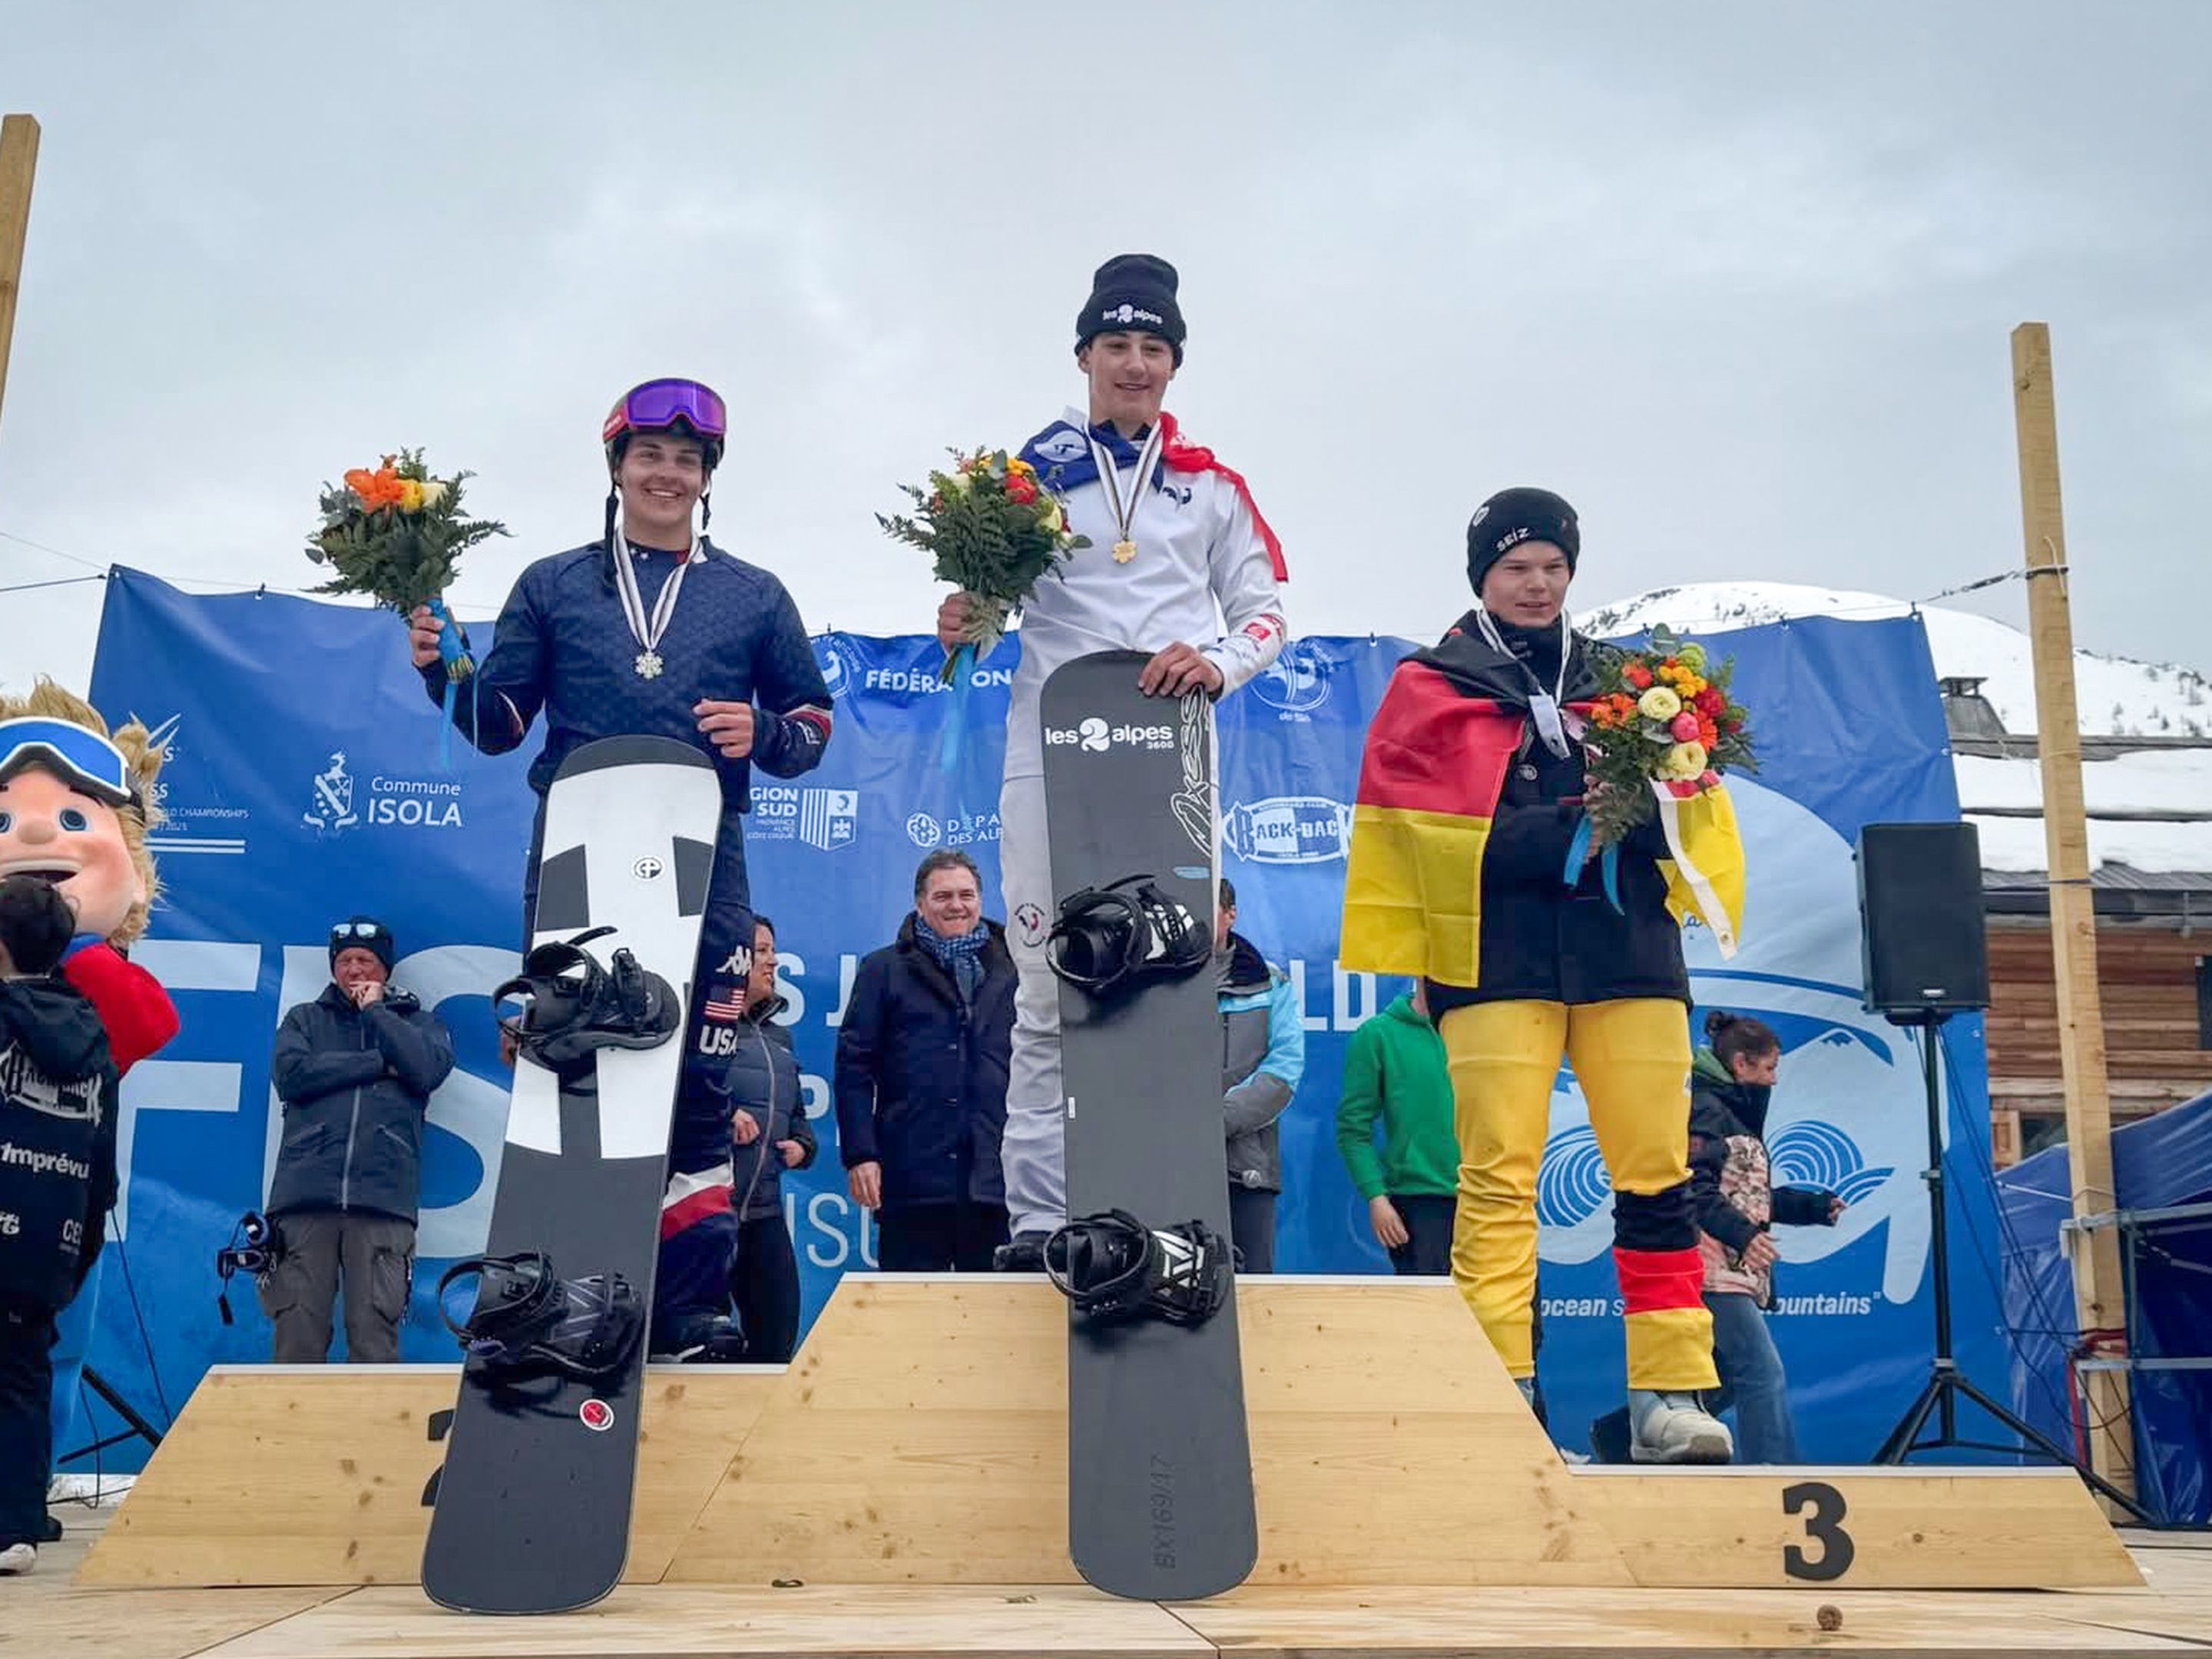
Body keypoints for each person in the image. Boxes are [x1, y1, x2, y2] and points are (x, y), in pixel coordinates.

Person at [1339, 486, 1749, 1463]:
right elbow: (1433, 845)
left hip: (1631, 956)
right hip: (1496, 961)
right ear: (1482, 574)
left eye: (1554, 568)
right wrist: (1574, 822)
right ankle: (1498, 1401)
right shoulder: (1432, 686)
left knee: (1658, 1179)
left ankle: (1669, 1393)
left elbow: (1684, 822)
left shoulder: (1631, 683)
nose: (1537, 584)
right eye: (1517, 567)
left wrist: (1649, 804)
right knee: (1496, 1182)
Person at [406, 378, 833, 1226]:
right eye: (650, 456)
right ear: (616, 466)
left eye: (687, 459)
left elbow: (814, 723)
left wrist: (765, 732)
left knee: (700, 1074)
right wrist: (442, 668)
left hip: (703, 858)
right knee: (570, 1049)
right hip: (580, 850)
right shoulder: (552, 584)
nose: (667, 474)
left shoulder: (754, 594)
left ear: (708, 476)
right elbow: (498, 725)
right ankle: (564, 1268)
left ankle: (692, 1301)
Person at [935, 255, 1290, 1267]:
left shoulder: (1214, 487)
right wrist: (966, 620)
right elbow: (984, 615)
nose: (1134, 364)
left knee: (1171, 992)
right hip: (1050, 758)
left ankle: (1171, 1210)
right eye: (1116, 345)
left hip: (1168, 762)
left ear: (1175, 363)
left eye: (1154, 348)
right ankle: (1041, 1225)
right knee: (1048, 991)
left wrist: (1215, 663)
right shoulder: (1020, 480)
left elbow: (1265, 619)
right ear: (1083, 353)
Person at [1592, 1011, 1843, 1462]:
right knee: (1761, 1371)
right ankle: (1774, 1472)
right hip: (1710, 1270)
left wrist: (1813, 1207)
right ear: (1742, 1064)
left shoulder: (1733, 1115)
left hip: (1727, 1268)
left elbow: (1748, 1196)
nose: (1774, 1080)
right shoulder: (1708, 1110)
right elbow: (1694, 1188)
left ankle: (1618, 1441)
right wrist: (1744, 1236)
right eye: (1769, 1068)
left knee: (1724, 1376)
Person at [263, 917, 455, 1363]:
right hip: (304, 1200)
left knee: (374, 1339)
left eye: (365, 960)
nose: (354, 970)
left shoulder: (420, 1024)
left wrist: (377, 1014)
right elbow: (292, 1076)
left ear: (385, 969)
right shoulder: (304, 1019)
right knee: (297, 1337)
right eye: (345, 960)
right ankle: (291, 1434)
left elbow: (426, 1069)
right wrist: (378, 1063)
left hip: (383, 1202)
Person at [0, 876, 120, 1575]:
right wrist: (77, 1252)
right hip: (51, 1238)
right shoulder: (89, 1033)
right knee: (21, 1378)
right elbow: (101, 1167)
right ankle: (16, 1525)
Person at [834, 851, 1016, 1271]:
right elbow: (854, 1069)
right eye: (943, 896)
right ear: (920, 904)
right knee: (910, 1326)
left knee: (995, 1324)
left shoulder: (1015, 966)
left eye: (967, 895)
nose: (957, 905)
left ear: (981, 899)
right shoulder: (883, 970)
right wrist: (861, 1155)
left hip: (996, 1180)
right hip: (912, 1182)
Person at [722, 915, 814, 1363]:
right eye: (761, 951)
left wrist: (803, 1146)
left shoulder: (781, 1038)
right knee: (703, 1343)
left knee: (778, 1334)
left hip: (764, 1211)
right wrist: (725, 1114)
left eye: (772, 951)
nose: (772, 961)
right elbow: (675, 1097)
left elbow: (797, 1116)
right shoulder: (704, 1033)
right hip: (706, 1214)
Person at [1335, 981, 1459, 1275]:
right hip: (1420, 1204)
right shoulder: (1378, 1035)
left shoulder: (1487, 1032)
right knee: (1426, 1318)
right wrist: (1376, 1197)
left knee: (1513, 1317)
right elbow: (1353, 1129)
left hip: (1493, 1197)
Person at [1216, 879, 1303, 1273]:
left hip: (1246, 1172)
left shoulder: (1271, 982)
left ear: (1231, 913)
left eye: (1209, 907)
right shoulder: (1160, 985)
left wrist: (1216, 1119)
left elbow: (1283, 1072)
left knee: (1253, 1299)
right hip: (1170, 1169)